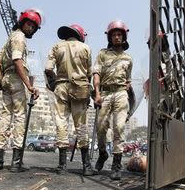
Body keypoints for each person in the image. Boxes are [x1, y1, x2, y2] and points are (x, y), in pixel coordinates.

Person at [0, 8, 42, 172]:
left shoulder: (10, 38)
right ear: (22, 23)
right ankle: (16, 162)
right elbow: (17, 60)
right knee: (20, 116)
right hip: (15, 79)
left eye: (34, 27)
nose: (31, 28)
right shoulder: (19, 37)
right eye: (29, 25)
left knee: (5, 115)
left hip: (6, 79)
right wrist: (28, 84)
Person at [44, 24, 94, 175]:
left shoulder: (56, 47)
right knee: (81, 125)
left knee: (61, 122)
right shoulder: (86, 48)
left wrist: (56, 80)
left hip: (61, 87)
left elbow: (48, 69)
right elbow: (89, 72)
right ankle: (86, 166)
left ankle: (62, 166)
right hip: (80, 87)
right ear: (80, 34)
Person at [93, 20, 133, 180]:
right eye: (114, 35)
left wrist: (127, 90)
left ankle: (117, 165)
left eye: (119, 35)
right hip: (105, 92)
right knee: (101, 127)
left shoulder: (128, 58)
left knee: (119, 127)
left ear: (123, 37)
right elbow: (96, 74)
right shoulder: (103, 54)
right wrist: (96, 93)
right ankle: (103, 153)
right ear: (109, 37)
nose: (116, 37)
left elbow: (128, 79)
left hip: (121, 94)